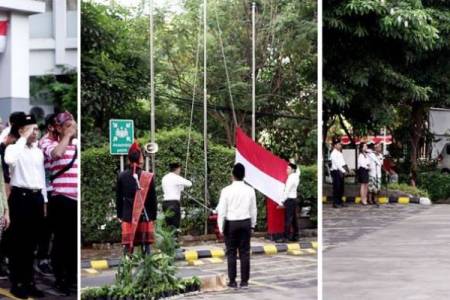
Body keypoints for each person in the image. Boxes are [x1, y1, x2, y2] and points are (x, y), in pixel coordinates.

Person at [4, 114, 46, 299]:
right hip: (20, 198)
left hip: (36, 198)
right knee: (18, 244)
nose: (35, 132)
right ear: (21, 130)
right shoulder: (13, 148)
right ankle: (17, 283)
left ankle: (30, 282)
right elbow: (9, 161)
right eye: (31, 129)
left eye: (37, 129)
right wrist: (22, 137)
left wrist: (44, 200)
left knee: (32, 244)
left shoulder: (37, 151)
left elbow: (41, 177)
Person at [44, 111, 78, 294]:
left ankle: (72, 277)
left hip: (75, 199)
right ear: (57, 127)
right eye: (66, 125)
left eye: (72, 124)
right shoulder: (48, 143)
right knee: (61, 242)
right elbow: (56, 154)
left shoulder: (77, 145)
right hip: (61, 198)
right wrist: (67, 136)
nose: (71, 128)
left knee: (73, 242)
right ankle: (60, 279)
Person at [216, 163, 257, 289]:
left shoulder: (226, 190)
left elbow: (222, 211)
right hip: (245, 222)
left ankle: (232, 281)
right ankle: (245, 281)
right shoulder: (250, 190)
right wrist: (253, 225)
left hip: (231, 224)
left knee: (231, 252)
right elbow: (253, 209)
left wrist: (221, 227)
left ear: (232, 175)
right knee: (245, 252)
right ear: (244, 175)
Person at [116, 141, 157, 255]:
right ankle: (147, 269)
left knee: (128, 249)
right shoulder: (148, 176)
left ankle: (127, 268)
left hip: (128, 216)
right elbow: (152, 199)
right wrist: (153, 216)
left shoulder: (121, 176)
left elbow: (119, 198)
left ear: (128, 159)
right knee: (146, 249)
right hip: (144, 215)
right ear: (141, 159)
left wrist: (120, 215)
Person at [35, 113, 58, 277]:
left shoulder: (59, 142)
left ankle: (49, 259)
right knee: (45, 228)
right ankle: (42, 259)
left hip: (56, 191)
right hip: (46, 191)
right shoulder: (43, 143)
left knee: (54, 229)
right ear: (51, 126)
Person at [161, 163, 192, 234]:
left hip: (165, 203)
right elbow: (190, 184)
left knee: (168, 224)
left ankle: (169, 242)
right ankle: (174, 242)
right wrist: (182, 180)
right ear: (177, 169)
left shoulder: (164, 177)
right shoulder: (176, 177)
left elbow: (179, 188)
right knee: (175, 225)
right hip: (173, 203)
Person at [278, 163, 300, 242]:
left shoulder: (290, 178)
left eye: (288, 168)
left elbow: (286, 191)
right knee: (294, 219)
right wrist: (293, 162)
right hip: (294, 199)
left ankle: (286, 237)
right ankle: (296, 236)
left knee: (288, 219)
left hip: (289, 200)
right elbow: (298, 170)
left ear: (292, 170)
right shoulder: (296, 176)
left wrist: (281, 202)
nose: (286, 170)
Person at [330, 138, 347, 208]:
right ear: (335, 145)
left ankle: (340, 201)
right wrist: (343, 171)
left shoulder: (339, 153)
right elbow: (337, 164)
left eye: (340, 144)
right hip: (336, 171)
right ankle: (335, 203)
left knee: (341, 188)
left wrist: (346, 169)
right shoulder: (333, 153)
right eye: (338, 144)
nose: (340, 145)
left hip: (341, 171)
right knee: (336, 188)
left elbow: (343, 162)